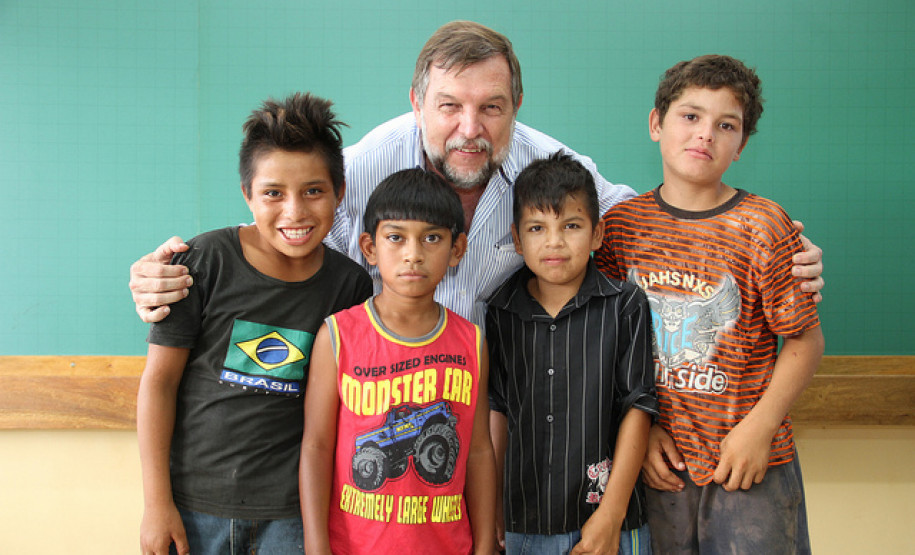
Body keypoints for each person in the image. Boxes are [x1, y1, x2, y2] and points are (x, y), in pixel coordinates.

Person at [127, 20, 825, 328]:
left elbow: (644, 220)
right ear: (415, 103)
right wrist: (176, 272)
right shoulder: (365, 163)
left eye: (491, 107)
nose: (471, 128)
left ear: (515, 106)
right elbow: (286, 226)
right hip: (370, 397)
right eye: (449, 106)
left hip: (498, 406)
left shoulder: (548, 163)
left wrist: (759, 243)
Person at [594, 55, 825, 553]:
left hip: (750, 461)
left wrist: (759, 428)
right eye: (690, 116)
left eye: (726, 125)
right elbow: (606, 342)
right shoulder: (620, 229)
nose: (705, 135)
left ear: (741, 144)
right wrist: (643, 428)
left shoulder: (764, 226)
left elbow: (806, 341)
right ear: (657, 123)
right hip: (660, 463)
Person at [137, 93, 373, 555]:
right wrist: (155, 504)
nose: (295, 212)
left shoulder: (350, 287)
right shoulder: (204, 262)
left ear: (339, 193)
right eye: (272, 193)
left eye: (313, 191)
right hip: (193, 508)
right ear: (247, 194)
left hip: (292, 515)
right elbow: (158, 384)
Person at [299, 168, 496, 554]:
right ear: (370, 248)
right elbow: (317, 447)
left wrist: (486, 545)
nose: (413, 254)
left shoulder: (471, 342)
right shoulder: (337, 336)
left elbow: (478, 451)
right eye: (396, 237)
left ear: (457, 249)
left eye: (432, 238)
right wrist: (315, 546)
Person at [487, 152, 657, 555]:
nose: (554, 242)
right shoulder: (500, 312)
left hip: (610, 518)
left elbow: (639, 405)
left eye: (572, 226)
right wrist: (491, 502)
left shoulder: (624, 305)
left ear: (597, 234)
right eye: (537, 227)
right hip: (521, 521)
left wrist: (611, 514)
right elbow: (496, 410)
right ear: (517, 239)